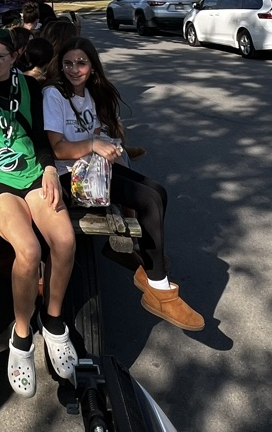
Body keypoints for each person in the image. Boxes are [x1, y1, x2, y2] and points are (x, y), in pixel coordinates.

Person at [42, 36, 204, 331]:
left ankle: (139, 262)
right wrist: (93, 144)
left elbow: (95, 134)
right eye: (68, 63)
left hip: (93, 171)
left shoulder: (90, 94)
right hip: (70, 178)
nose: (74, 69)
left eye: (81, 63)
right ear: (60, 65)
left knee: (157, 191)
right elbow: (58, 148)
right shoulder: (54, 95)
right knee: (148, 200)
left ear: (92, 67)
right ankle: (159, 289)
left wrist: (107, 145)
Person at [0, 28, 78, 397]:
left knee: (65, 241)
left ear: (14, 56)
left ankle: (53, 322)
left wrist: (50, 168)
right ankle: (21, 336)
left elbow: (39, 136)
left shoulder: (31, 87)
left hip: (33, 173)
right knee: (29, 250)